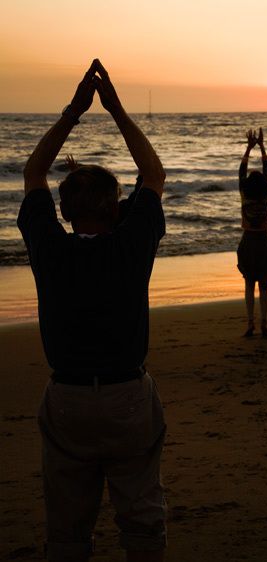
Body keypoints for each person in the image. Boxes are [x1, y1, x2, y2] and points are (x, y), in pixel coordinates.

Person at [17, 59, 167, 562]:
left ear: (63, 212)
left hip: (68, 396)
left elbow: (34, 172)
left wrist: (74, 111)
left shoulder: (49, 247)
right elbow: (153, 173)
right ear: (115, 208)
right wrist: (116, 109)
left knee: (67, 525)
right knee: (141, 517)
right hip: (127, 391)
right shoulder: (132, 245)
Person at [237, 128, 267, 338]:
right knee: (264, 286)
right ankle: (264, 323)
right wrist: (262, 147)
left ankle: (249, 324)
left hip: (248, 242)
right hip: (263, 241)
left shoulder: (244, 193)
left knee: (249, 284)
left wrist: (249, 148)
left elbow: (241, 171)